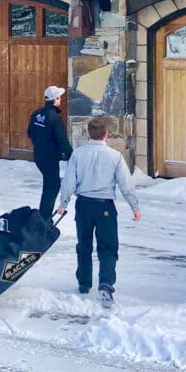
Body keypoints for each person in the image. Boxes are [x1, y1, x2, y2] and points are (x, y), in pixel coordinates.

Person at [56, 117, 141, 307]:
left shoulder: (78, 154)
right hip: (105, 207)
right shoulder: (115, 156)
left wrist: (63, 203)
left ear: (89, 133)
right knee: (108, 247)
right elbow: (126, 185)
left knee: (84, 244)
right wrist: (135, 207)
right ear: (106, 135)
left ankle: (84, 283)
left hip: (83, 205)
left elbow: (69, 181)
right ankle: (106, 285)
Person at [27, 85, 73, 220]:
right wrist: (72, 156)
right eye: (59, 97)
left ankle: (44, 215)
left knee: (50, 184)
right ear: (56, 99)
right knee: (52, 185)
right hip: (50, 158)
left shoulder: (36, 114)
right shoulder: (55, 118)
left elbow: (30, 132)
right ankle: (44, 218)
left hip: (39, 155)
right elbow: (62, 140)